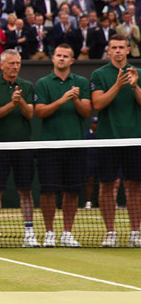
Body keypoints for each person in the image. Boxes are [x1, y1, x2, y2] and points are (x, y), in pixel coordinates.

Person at [34, 44, 91, 247]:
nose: (61, 59)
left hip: (75, 145)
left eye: (65, 56)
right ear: (53, 58)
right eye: (58, 55)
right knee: (48, 191)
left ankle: (67, 232)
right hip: (50, 146)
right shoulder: (43, 83)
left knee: (72, 191)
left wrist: (75, 100)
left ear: (72, 60)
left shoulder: (81, 82)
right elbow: (40, 112)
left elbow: (86, 112)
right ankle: (49, 232)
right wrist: (62, 99)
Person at [90, 35, 141, 248]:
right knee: (107, 186)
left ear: (128, 50)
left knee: (135, 187)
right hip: (108, 139)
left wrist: (135, 86)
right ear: (109, 51)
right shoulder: (99, 74)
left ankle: (135, 233)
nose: (118, 51)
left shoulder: (137, 73)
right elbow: (98, 104)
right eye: (114, 48)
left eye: (122, 47)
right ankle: (110, 232)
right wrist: (118, 86)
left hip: (135, 140)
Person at [0, 50, 39, 248]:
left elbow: (30, 114)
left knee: (25, 191)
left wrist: (21, 101)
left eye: (17, 63)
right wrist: (12, 103)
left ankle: (29, 232)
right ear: (2, 65)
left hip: (22, 146)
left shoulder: (27, 86)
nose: (15, 67)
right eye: (11, 63)